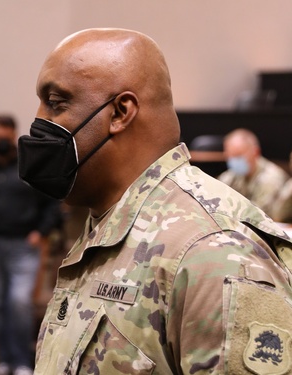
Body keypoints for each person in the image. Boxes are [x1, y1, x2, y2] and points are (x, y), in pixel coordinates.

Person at [17, 28, 292, 374]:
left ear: (120, 112)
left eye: (57, 104)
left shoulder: (213, 252)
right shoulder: (108, 223)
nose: (40, 122)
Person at [0, 114, 62, 375]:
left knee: (19, 302)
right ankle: (5, 359)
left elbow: (51, 203)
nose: (1, 138)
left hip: (24, 246)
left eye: (6, 133)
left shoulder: (28, 169)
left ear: (13, 134)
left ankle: (22, 361)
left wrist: (41, 232)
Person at [218, 128, 288, 217]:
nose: (234, 161)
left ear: (255, 152)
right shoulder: (232, 176)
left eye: (238, 156)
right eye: (230, 156)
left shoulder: (271, 178)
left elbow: (258, 215)